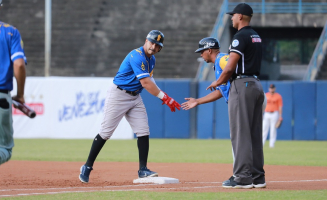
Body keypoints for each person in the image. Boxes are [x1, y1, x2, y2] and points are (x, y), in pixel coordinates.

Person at [79, 30, 181, 183]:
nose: (153, 46)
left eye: (157, 45)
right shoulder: (137, 55)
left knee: (143, 131)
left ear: (160, 48)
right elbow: (145, 83)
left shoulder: (151, 59)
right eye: (152, 42)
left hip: (135, 97)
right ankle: (87, 166)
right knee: (105, 133)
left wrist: (163, 95)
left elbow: (150, 80)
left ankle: (143, 170)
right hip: (119, 94)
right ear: (145, 41)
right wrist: (164, 97)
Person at [207, 3, 266, 189]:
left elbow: (230, 66)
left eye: (233, 15)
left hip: (242, 85)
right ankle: (258, 177)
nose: (231, 18)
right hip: (256, 84)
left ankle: (242, 177)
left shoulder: (239, 37)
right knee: (255, 134)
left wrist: (218, 82)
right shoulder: (256, 36)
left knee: (240, 133)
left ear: (240, 16)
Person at [0, 0, 27, 165]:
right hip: (2, 96)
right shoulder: (10, 32)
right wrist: (20, 94)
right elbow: (19, 64)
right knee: (4, 148)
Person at [181, 37, 230, 110]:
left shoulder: (222, 58)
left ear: (209, 50)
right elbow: (220, 91)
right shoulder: (217, 63)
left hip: (240, 98)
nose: (201, 55)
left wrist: (218, 82)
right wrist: (197, 101)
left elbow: (235, 69)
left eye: (202, 52)